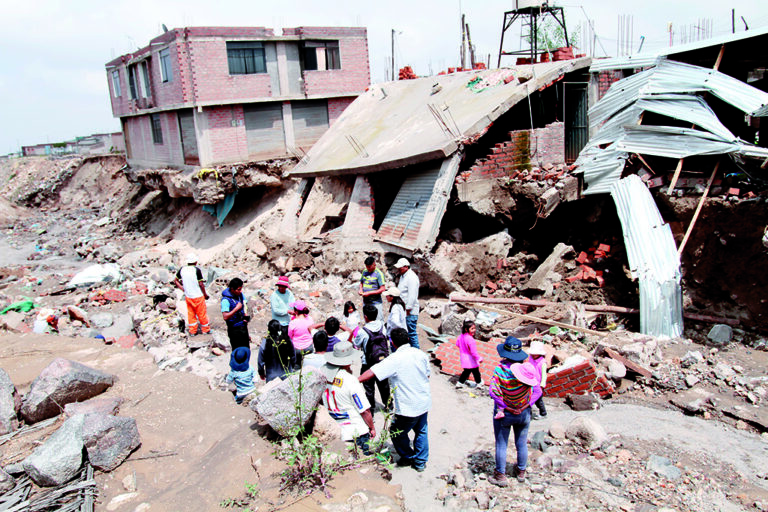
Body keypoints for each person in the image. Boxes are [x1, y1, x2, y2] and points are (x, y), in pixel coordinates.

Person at [359, 328, 430, 472]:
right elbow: (427, 375)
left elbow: (373, 372)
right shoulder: (420, 354)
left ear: (392, 343)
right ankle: (420, 462)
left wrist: (355, 380)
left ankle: (408, 455)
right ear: (408, 339)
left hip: (408, 406)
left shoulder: (395, 359)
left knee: (396, 431)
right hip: (423, 400)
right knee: (421, 430)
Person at [487, 336, 538, 487]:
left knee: (501, 444)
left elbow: (493, 392)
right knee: (521, 443)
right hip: (523, 413)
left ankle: (500, 475)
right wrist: (525, 405)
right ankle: (521, 471)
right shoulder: (527, 370)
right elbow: (538, 391)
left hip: (505, 413)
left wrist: (505, 406)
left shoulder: (500, 370)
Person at [321, 341, 376, 455]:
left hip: (336, 430)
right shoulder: (350, 380)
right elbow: (364, 410)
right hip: (356, 431)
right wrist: (371, 427)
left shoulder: (324, 375)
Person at [352, 304, 390, 417]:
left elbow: (356, 345)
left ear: (366, 316)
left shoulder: (363, 332)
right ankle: (388, 405)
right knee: (384, 385)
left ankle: (371, 411)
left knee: (369, 388)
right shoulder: (383, 326)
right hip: (382, 361)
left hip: (368, 363)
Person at [174, 253, 210, 336]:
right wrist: (205, 294)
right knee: (201, 313)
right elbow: (201, 284)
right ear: (195, 262)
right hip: (198, 295)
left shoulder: (182, 269)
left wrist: (183, 288)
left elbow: (175, 281)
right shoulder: (196, 270)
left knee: (191, 314)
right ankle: (205, 330)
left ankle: (193, 331)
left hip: (188, 296)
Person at [394, 258, 420, 349]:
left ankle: (417, 352)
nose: (398, 270)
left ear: (406, 267)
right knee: (407, 333)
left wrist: (408, 309)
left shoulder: (412, 278)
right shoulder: (403, 276)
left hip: (410, 311)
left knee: (411, 333)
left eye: (400, 268)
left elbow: (412, 295)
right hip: (404, 309)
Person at [221, 277, 250, 351]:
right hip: (234, 329)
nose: (240, 291)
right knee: (237, 352)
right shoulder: (225, 300)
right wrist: (236, 309)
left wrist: (245, 316)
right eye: (238, 289)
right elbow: (225, 316)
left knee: (246, 350)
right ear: (232, 289)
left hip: (243, 326)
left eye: (241, 289)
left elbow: (244, 304)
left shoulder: (240, 295)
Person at [456, 319, 483, 387]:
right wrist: (479, 358)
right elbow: (474, 352)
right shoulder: (471, 339)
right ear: (466, 329)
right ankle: (479, 383)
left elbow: (457, 344)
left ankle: (460, 383)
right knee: (476, 372)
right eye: (472, 328)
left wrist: (463, 348)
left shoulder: (460, 336)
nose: (474, 330)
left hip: (463, 357)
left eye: (474, 328)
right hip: (471, 359)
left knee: (466, 372)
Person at [288, 300, 315, 367]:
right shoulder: (310, 320)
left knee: (297, 366)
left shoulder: (293, 323)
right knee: (308, 366)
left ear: (296, 311)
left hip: (297, 348)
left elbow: (290, 336)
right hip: (309, 346)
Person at [359, 256, 386, 321]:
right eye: (367, 266)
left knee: (378, 321)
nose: (368, 268)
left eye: (369, 267)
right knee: (367, 321)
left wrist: (369, 293)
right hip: (366, 302)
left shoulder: (379, 274)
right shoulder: (364, 271)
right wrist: (360, 289)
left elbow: (382, 288)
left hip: (375, 303)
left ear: (374, 264)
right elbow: (361, 282)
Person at [270, 276, 295, 343]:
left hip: (287, 322)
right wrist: (287, 311)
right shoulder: (274, 295)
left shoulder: (289, 294)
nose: (281, 288)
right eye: (279, 286)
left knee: (287, 341)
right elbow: (275, 310)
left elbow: (292, 305)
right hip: (278, 323)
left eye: (283, 286)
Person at [528, 341, 548, 419]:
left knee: (538, 401)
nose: (534, 355)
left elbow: (544, 375)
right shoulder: (530, 358)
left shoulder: (543, 363)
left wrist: (542, 385)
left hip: (538, 384)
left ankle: (543, 413)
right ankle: (528, 414)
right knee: (529, 399)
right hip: (530, 382)